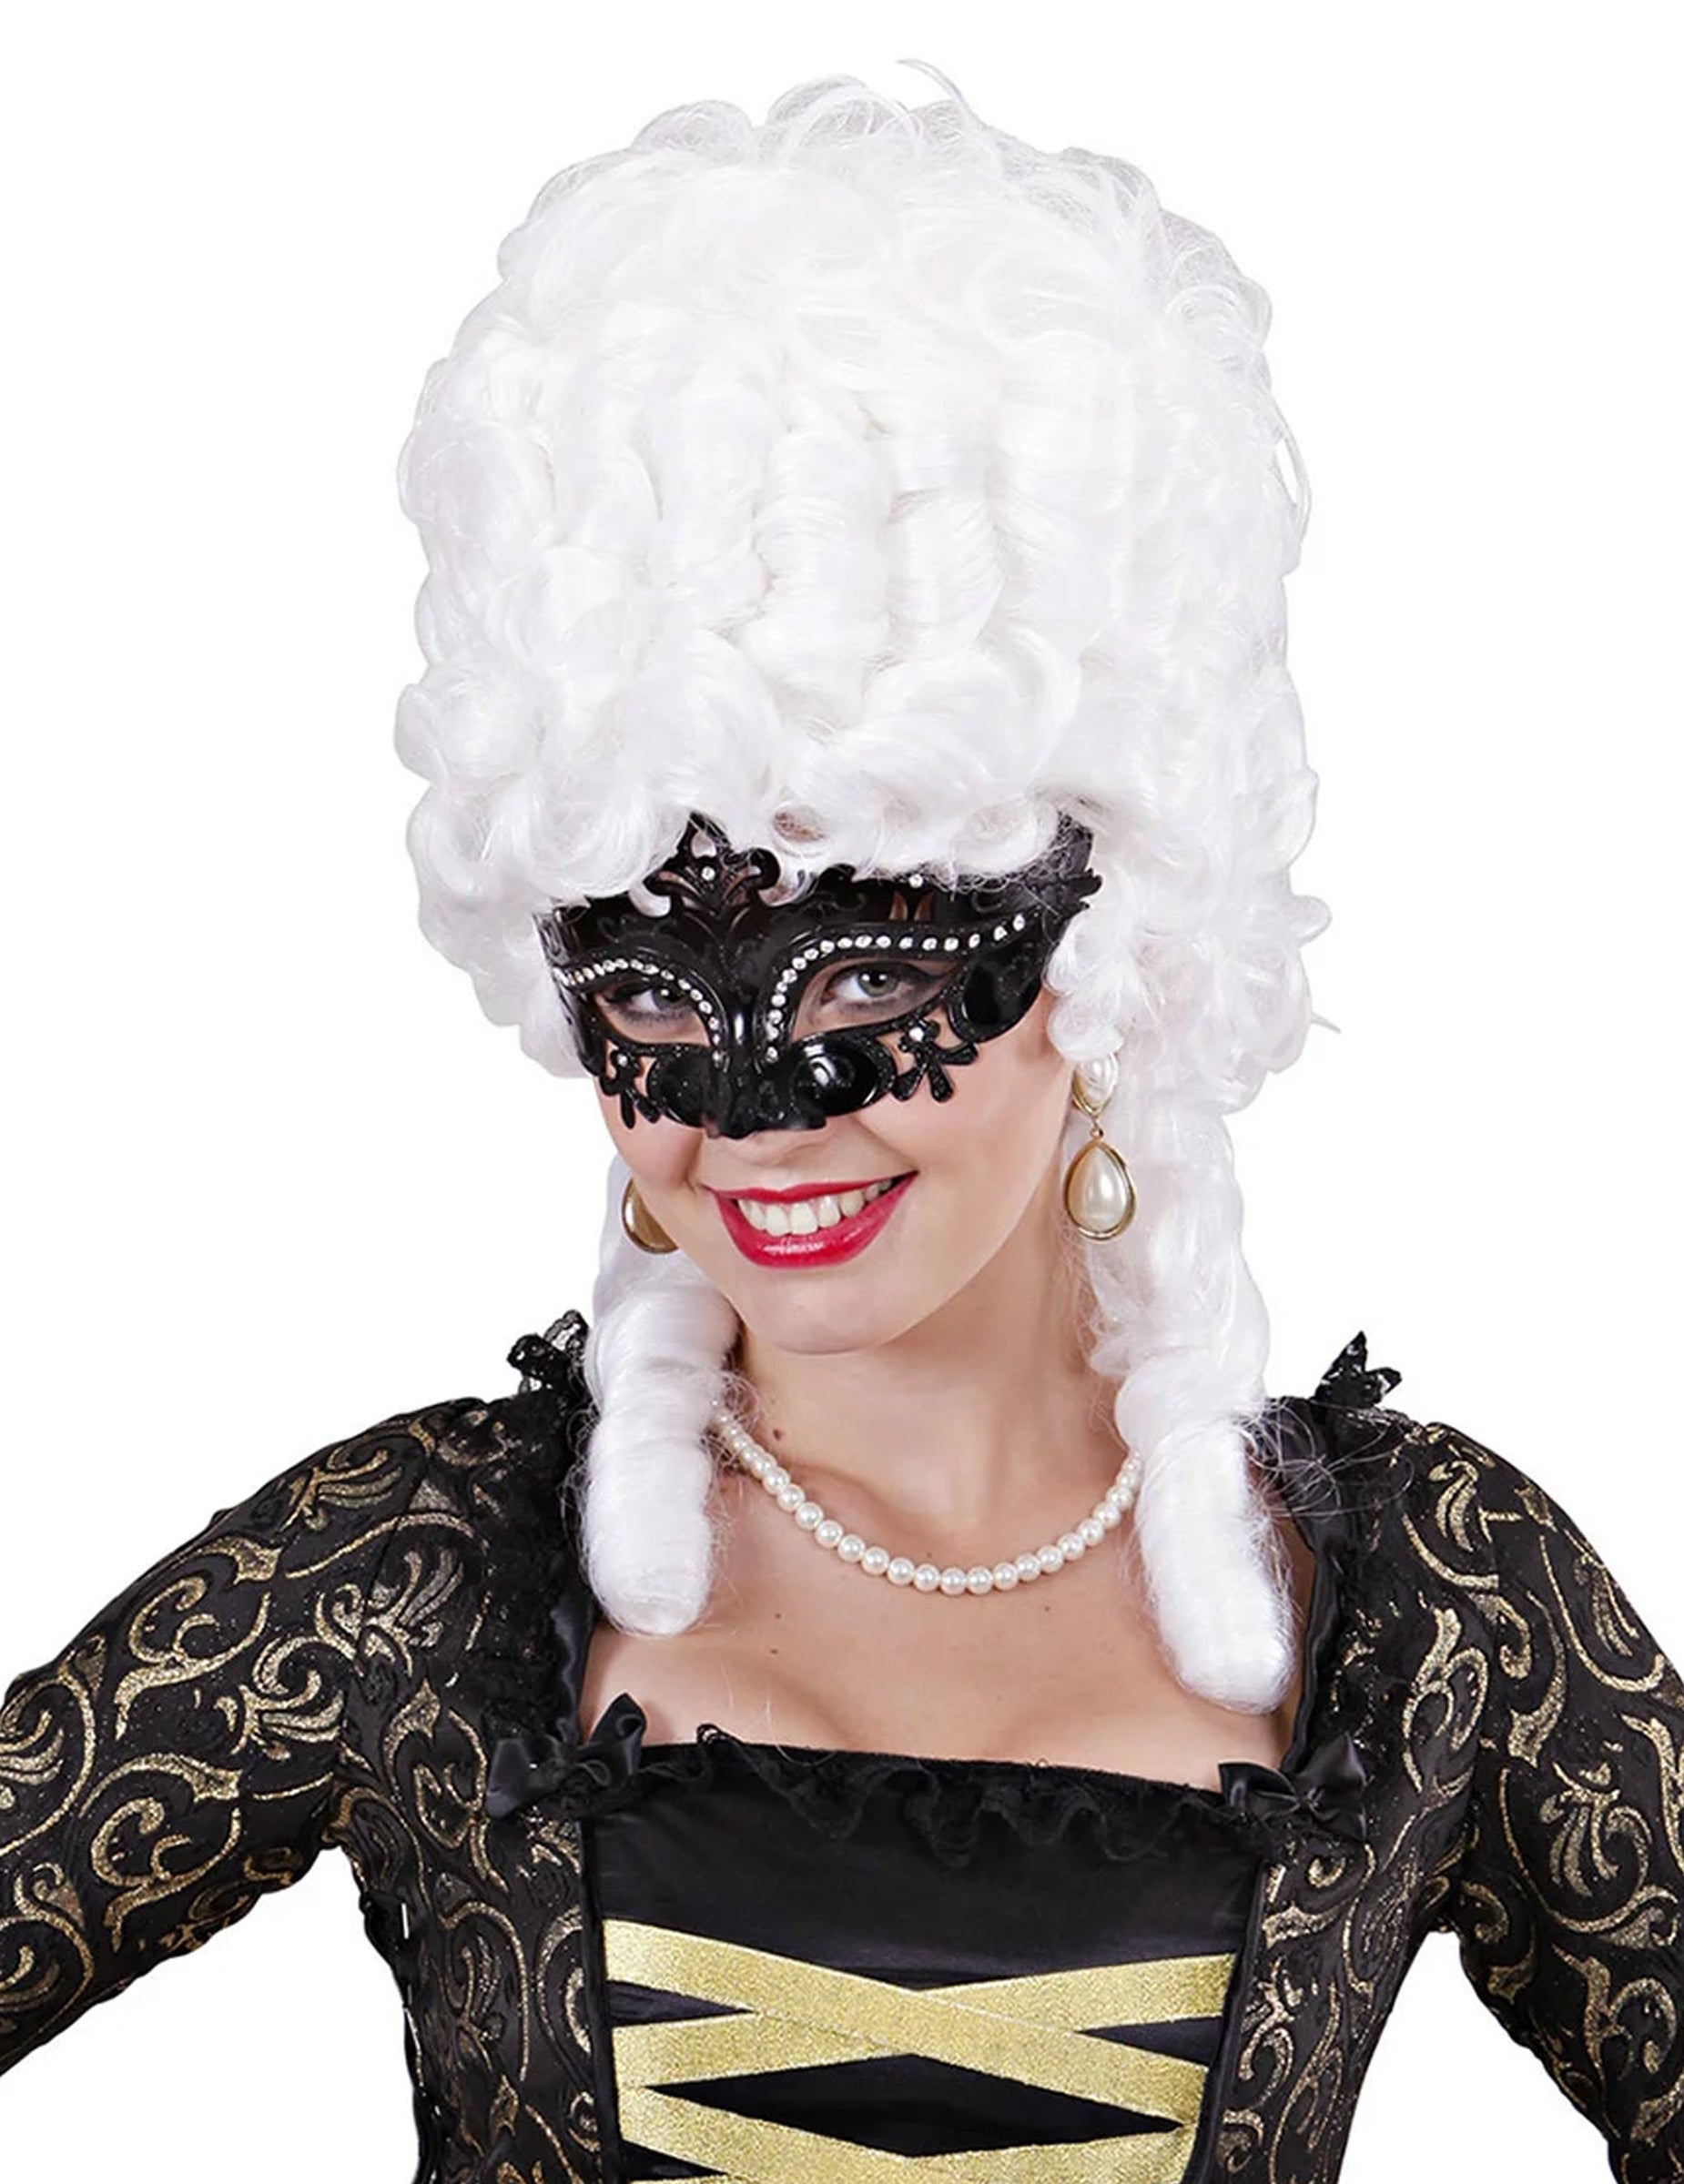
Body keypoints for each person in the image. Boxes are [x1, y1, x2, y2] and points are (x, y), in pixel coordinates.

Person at [3, 67, 1680, 2184]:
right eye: (646, 995)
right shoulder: (417, 1577)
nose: (752, 1117)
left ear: (1111, 955)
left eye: (872, 985)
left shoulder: (1440, 1603)